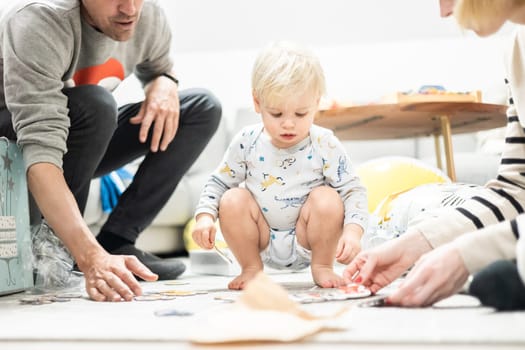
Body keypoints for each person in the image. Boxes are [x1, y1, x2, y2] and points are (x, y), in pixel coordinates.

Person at [0, 0, 222, 301]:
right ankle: (60, 250)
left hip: (80, 137)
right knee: (97, 105)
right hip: (14, 144)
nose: (129, 9)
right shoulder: (39, 21)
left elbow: (159, 67)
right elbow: (40, 149)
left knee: (200, 108)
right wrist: (89, 255)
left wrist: (165, 81)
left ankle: (117, 240)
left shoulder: (148, 17)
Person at [343, 0, 525, 310]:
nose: (443, 12)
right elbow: (516, 190)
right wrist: (413, 246)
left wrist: (466, 255)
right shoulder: (515, 49)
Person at [191, 41, 368, 290]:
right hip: (260, 238)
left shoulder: (324, 143)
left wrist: (353, 233)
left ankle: (322, 267)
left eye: (300, 114)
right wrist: (204, 217)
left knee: (327, 197)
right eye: (276, 114)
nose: (288, 124)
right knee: (232, 198)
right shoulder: (247, 141)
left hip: (308, 239)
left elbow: (352, 189)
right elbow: (219, 182)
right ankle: (251, 268)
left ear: (316, 104)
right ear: (257, 102)